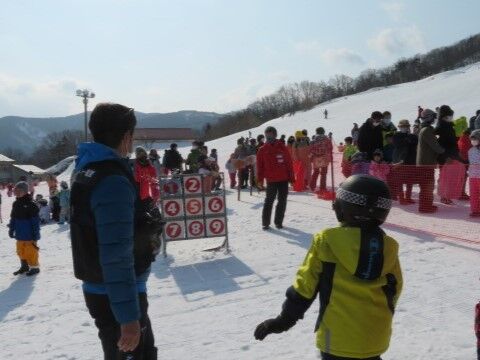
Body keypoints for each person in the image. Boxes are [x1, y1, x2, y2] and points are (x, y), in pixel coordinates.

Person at [254, 175, 402, 360]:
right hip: (374, 338)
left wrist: (284, 320)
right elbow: (395, 289)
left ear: (341, 210)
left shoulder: (327, 242)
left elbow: (305, 287)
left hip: (337, 341)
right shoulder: (388, 247)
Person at [70, 103, 160, 358]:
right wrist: (129, 319)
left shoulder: (87, 167)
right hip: (117, 294)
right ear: (126, 136)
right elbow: (116, 254)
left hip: (101, 286)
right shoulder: (112, 181)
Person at [256, 126, 294, 230]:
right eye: (267, 136)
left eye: (270, 135)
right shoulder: (262, 150)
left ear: (275, 135)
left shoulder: (282, 147)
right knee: (269, 201)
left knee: (282, 201)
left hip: (283, 179)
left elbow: (289, 163)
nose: (268, 138)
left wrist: (292, 179)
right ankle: (265, 223)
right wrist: (259, 181)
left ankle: (278, 222)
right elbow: (260, 167)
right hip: (271, 180)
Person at [8, 181, 41, 276]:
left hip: (29, 234)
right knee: (20, 251)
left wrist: (36, 234)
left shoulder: (31, 205)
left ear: (25, 191)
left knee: (31, 251)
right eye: (15, 190)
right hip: (19, 233)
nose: (16, 192)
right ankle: (24, 266)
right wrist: (11, 229)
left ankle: (35, 267)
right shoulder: (15, 204)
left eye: (19, 190)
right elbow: (13, 218)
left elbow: (35, 221)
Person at [417, 109, 444, 213]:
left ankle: (426, 205)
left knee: (426, 185)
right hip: (426, 163)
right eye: (433, 117)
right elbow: (435, 146)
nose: (434, 119)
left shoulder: (424, 129)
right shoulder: (427, 130)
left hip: (425, 162)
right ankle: (425, 207)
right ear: (429, 117)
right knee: (427, 186)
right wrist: (444, 151)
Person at [435, 105, 463, 205]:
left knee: (449, 176)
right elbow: (440, 143)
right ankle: (443, 196)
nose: (451, 117)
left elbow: (452, 141)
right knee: (444, 177)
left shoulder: (450, 125)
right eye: (449, 115)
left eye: (451, 115)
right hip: (445, 156)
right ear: (443, 116)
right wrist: (446, 156)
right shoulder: (441, 127)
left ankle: (447, 195)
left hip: (452, 154)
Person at [392, 119, 418, 204]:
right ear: (399, 127)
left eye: (406, 126)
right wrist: (407, 139)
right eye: (402, 126)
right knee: (399, 181)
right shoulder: (396, 136)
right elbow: (398, 144)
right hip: (400, 162)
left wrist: (410, 138)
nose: (404, 128)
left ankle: (408, 197)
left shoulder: (412, 136)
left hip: (410, 162)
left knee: (409, 181)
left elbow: (415, 142)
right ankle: (401, 198)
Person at [309, 127, 332, 192]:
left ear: (316, 132)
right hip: (324, 157)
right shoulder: (327, 139)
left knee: (316, 172)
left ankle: (312, 186)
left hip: (316, 157)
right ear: (323, 132)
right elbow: (330, 148)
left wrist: (310, 158)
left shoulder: (313, 140)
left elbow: (310, 150)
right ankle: (322, 187)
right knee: (323, 173)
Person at [468, 130, 480, 217]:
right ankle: (475, 210)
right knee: (474, 194)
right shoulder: (470, 150)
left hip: (477, 175)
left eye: (475, 139)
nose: (473, 141)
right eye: (472, 139)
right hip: (473, 176)